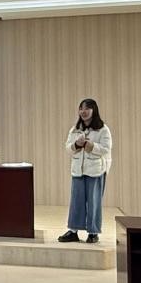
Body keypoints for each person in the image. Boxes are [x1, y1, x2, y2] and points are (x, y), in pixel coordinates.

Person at [59, 98, 113, 244]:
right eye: (81, 108)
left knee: (94, 202)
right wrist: (76, 145)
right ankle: (73, 231)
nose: (83, 111)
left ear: (93, 110)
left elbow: (106, 149)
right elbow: (68, 148)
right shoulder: (75, 129)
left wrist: (91, 146)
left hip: (96, 171)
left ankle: (93, 232)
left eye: (87, 108)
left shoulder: (103, 129)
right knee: (76, 201)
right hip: (78, 171)